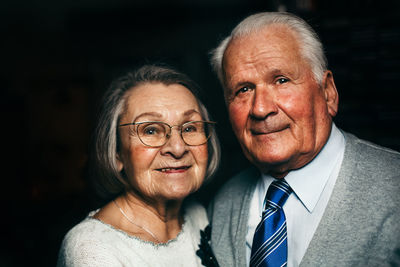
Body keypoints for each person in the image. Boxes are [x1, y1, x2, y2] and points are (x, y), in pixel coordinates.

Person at [208, 12, 400, 266]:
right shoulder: (223, 204)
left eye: (281, 80)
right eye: (243, 89)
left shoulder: (394, 188)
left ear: (328, 93)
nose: (260, 108)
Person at [57, 64, 221, 266]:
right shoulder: (91, 249)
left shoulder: (199, 215)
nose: (178, 148)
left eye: (189, 128)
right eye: (151, 131)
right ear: (117, 153)